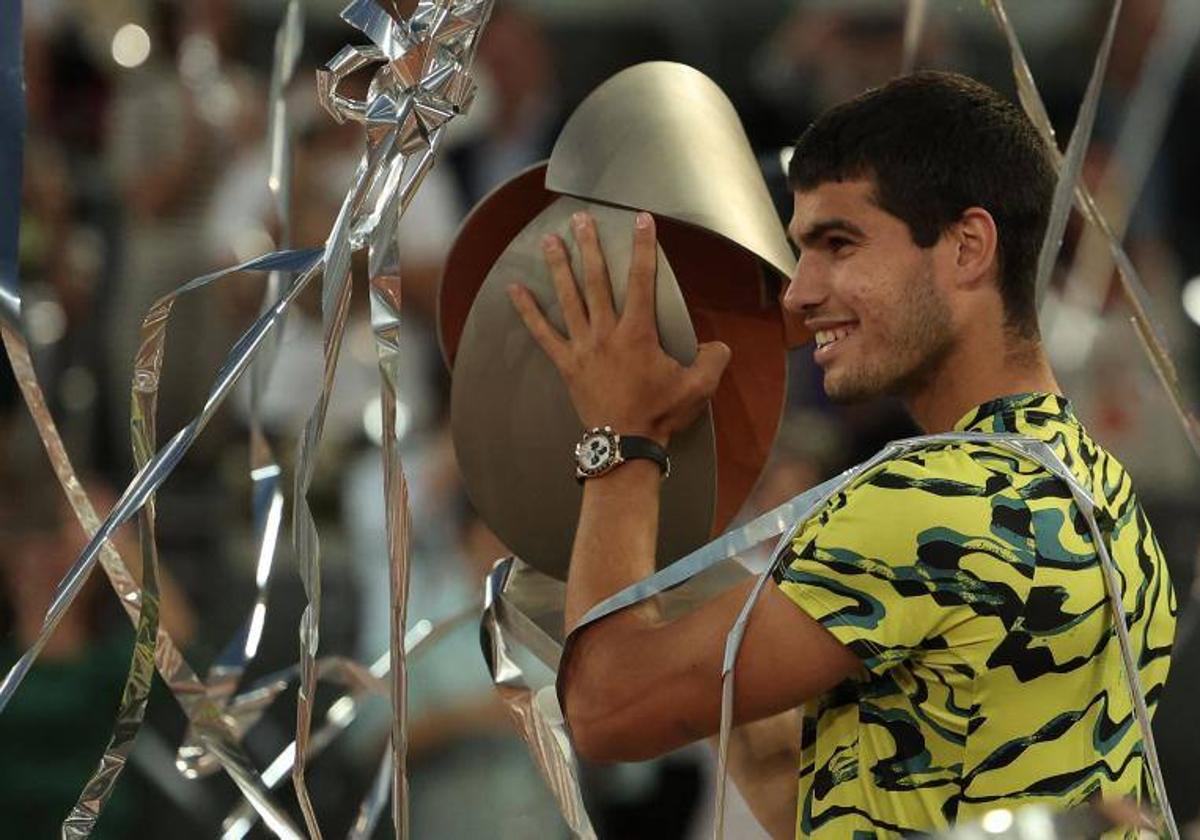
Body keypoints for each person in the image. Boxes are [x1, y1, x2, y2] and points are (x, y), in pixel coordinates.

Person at [505, 71, 1175, 838]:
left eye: (838, 244)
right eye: (801, 250)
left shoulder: (928, 501)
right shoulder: (1103, 491)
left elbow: (604, 710)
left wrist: (623, 441)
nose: (798, 292)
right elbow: (796, 775)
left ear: (967, 248)